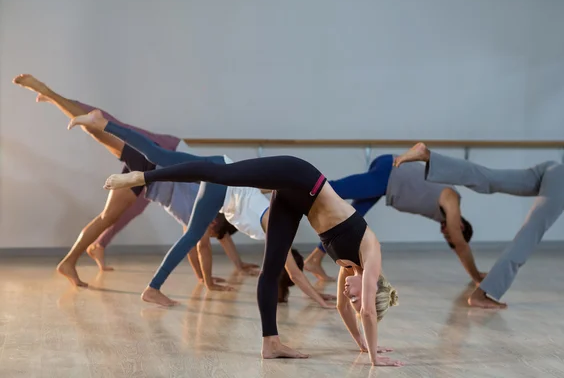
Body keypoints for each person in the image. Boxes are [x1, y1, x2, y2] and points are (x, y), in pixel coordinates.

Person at [88, 118, 402, 365]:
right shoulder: (370, 250)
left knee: (270, 269)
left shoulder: (350, 270)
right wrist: (375, 358)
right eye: (359, 298)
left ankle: (271, 343)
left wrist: (362, 345)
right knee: (219, 173)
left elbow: (343, 309)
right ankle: (142, 177)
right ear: (373, 286)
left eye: (355, 300)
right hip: (301, 177)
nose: (352, 300)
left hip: (296, 203)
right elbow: (367, 313)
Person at [12, 74, 259, 288]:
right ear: (217, 220)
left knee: (106, 217)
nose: (212, 233)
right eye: (215, 230)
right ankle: (49, 93)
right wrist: (208, 283)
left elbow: (195, 250)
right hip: (150, 164)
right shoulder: (205, 212)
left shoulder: (196, 219)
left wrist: (208, 278)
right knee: (98, 127)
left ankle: (68, 262)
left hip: (145, 178)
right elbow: (202, 249)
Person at [394, 142, 564, 309]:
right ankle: (484, 293)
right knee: (530, 233)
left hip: (557, 172)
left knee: (490, 178)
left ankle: (427, 155)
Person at [309, 153, 484, 284]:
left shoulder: (442, 215)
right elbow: (460, 245)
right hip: (389, 171)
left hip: (388, 181)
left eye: (446, 236)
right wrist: (476, 276)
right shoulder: (452, 199)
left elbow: (457, 245)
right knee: (332, 190)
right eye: (449, 234)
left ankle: (314, 260)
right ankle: (291, 187)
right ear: (460, 226)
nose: (445, 232)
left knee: (351, 218)